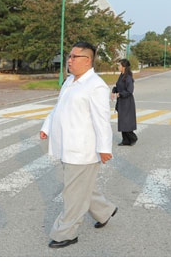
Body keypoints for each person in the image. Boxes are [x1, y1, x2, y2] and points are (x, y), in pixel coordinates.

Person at [40, 41, 117, 249]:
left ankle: (66, 232)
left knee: (73, 193)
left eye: (75, 57)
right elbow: (58, 108)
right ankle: (105, 211)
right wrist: (46, 126)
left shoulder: (96, 86)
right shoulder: (70, 82)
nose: (70, 60)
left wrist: (104, 148)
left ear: (88, 60)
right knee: (82, 187)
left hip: (83, 149)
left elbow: (102, 119)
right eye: (70, 56)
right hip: (67, 145)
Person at [111, 59, 138, 146]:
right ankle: (125, 140)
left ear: (124, 67)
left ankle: (133, 138)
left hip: (127, 102)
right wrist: (113, 91)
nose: (118, 67)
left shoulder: (128, 78)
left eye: (119, 65)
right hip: (121, 102)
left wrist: (121, 94)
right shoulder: (121, 76)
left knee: (126, 121)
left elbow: (130, 90)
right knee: (122, 121)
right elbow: (118, 86)